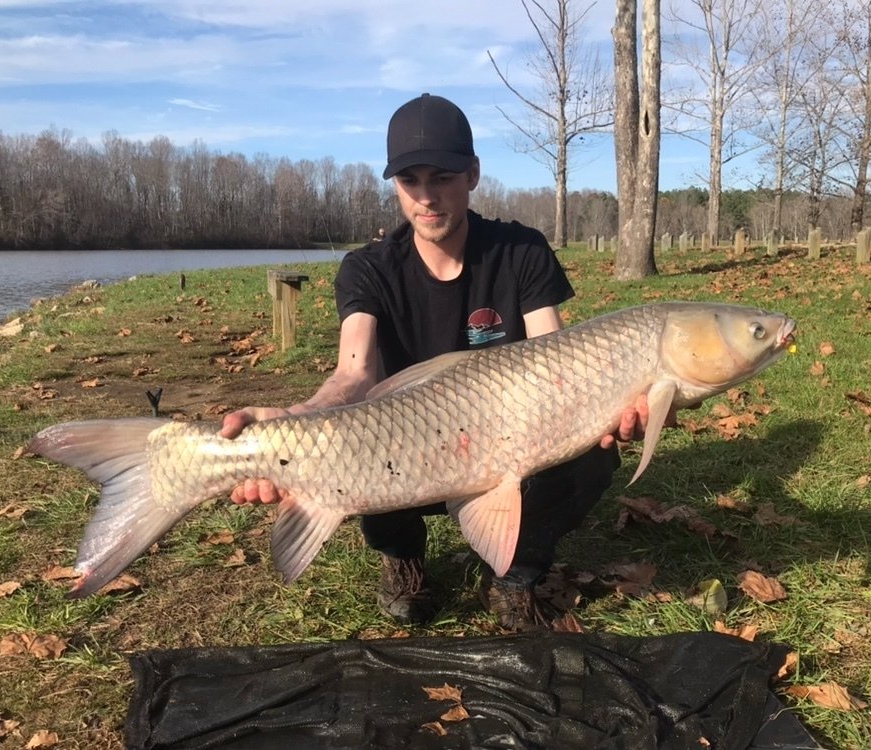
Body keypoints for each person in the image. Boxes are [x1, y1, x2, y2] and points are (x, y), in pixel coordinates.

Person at [220, 93, 651, 632]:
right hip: (407, 446)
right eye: (409, 182)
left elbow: (555, 358)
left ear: (472, 174)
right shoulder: (367, 269)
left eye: (442, 177)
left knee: (591, 452)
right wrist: (302, 414)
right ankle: (404, 559)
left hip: (507, 436)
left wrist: (610, 406)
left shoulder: (521, 251)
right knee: (365, 441)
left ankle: (516, 576)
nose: (426, 198)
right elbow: (354, 374)